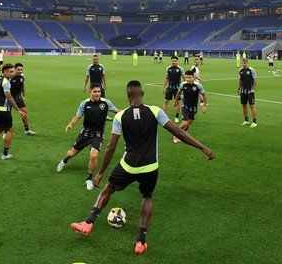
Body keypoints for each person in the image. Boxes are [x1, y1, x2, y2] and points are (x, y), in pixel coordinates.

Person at [70, 80, 214, 255]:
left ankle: (89, 222)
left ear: (128, 95)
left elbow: (111, 147)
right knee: (147, 196)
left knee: (109, 187)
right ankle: (141, 241)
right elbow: (178, 132)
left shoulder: (120, 116)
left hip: (128, 165)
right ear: (142, 94)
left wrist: (100, 172)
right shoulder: (155, 111)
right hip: (150, 166)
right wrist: (202, 147)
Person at [57, 84, 118, 190]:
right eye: (95, 92)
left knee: (93, 155)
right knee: (72, 153)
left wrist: (129, 112)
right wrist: (70, 124)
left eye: (99, 92)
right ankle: (64, 161)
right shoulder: (84, 104)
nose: (97, 94)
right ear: (90, 92)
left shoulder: (106, 103)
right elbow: (78, 116)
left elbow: (117, 111)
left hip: (97, 135)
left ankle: (89, 179)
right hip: (85, 134)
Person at [172, 70, 208, 143]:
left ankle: (181, 136)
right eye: (186, 77)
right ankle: (175, 135)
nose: (188, 79)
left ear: (193, 77)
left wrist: (205, 106)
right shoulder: (183, 85)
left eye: (189, 77)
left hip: (194, 107)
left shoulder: (198, 85)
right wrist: (175, 101)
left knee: (188, 124)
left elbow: (204, 95)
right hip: (185, 106)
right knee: (184, 123)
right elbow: (178, 93)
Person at [9, 62, 36, 135]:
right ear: (14, 69)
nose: (20, 71)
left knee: (24, 113)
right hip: (9, 99)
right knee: (7, 115)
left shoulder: (22, 76)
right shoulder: (10, 78)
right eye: (18, 69)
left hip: (18, 98)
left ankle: (27, 130)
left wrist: (24, 96)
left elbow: (22, 86)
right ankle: (6, 131)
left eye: (21, 69)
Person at [238, 58, 258, 128]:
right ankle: (246, 120)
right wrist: (239, 88)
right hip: (243, 91)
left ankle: (254, 122)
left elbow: (255, 80)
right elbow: (240, 80)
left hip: (250, 91)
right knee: (244, 105)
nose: (243, 64)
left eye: (244, 63)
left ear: (247, 63)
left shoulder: (252, 70)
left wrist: (253, 89)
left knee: (251, 106)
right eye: (242, 63)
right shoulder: (240, 70)